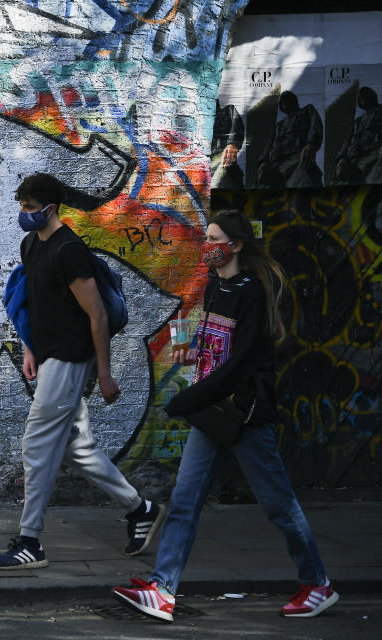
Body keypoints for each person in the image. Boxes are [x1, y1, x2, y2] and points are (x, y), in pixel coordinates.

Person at [112, 209, 339, 621]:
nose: (207, 246)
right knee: (184, 501)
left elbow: (242, 364)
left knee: (278, 504)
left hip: (246, 414)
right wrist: (195, 352)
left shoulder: (253, 293)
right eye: (206, 238)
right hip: (214, 411)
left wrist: (189, 399)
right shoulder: (217, 287)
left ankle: (317, 583)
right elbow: (220, 351)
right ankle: (162, 589)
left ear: (234, 245)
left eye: (214, 239)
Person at [0, 173, 164, 570]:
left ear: (51, 209)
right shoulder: (32, 243)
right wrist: (30, 349)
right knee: (75, 447)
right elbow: (34, 303)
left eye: (30, 208)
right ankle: (140, 509)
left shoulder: (70, 251)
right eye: (21, 206)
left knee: (36, 445)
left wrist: (104, 373)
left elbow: (97, 314)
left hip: (71, 359)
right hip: (50, 356)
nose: (23, 214)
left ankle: (30, 542)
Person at [255, 91, 323, 189]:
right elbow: (269, 145)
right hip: (275, 165)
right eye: (282, 102)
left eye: (287, 99)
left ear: (294, 100)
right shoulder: (279, 125)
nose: (284, 103)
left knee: (304, 187)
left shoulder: (307, 110)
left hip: (297, 158)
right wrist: (263, 161)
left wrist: (311, 144)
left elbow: (316, 126)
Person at [334, 86, 382, 185]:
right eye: (360, 98)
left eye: (364, 96)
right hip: (354, 160)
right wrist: (342, 158)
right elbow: (347, 141)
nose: (362, 100)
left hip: (374, 155)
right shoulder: (358, 122)